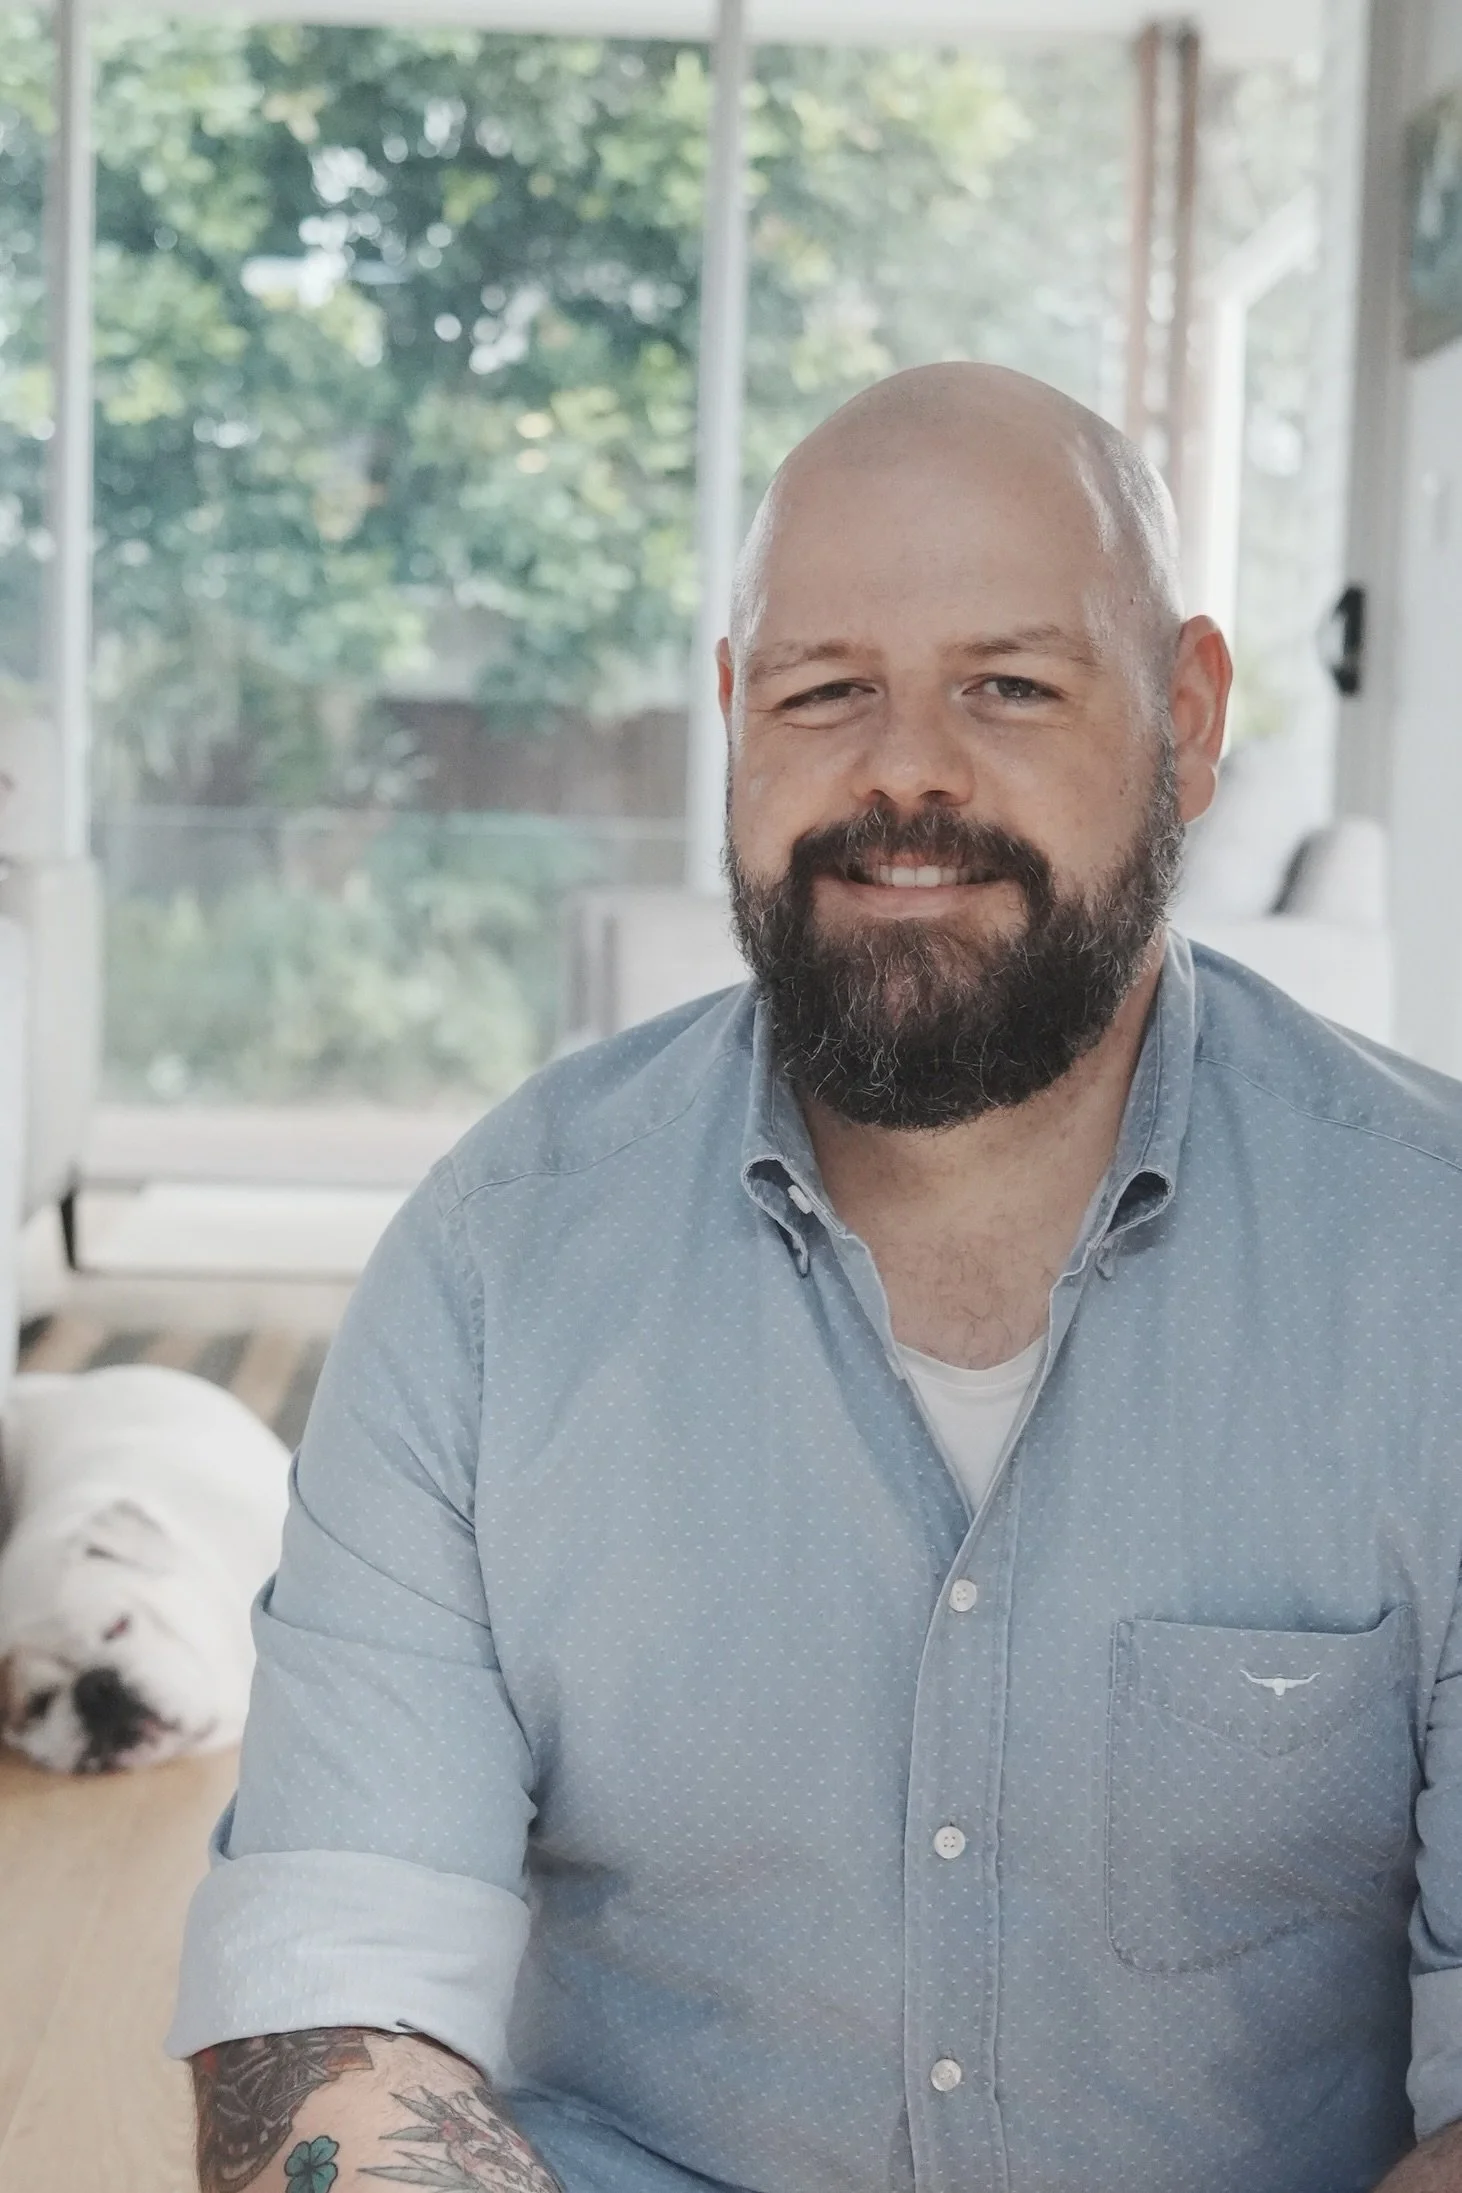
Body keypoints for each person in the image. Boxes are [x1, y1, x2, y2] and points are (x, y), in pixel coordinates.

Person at [170, 363, 1462, 2193]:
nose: (905, 772)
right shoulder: (492, 1263)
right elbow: (335, 1992)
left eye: (1005, 687)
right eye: (823, 688)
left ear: (1184, 717)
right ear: (731, 717)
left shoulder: (1434, 1270)